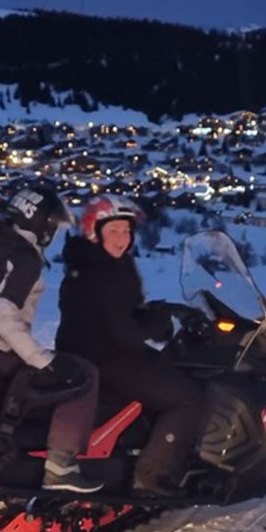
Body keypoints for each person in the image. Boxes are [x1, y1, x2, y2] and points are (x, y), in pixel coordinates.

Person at [56, 194, 205, 497]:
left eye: (126, 231)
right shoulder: (101, 272)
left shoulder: (95, 262)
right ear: (94, 231)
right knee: (188, 396)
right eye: (114, 231)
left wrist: (157, 311)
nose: (122, 238)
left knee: (169, 369)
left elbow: (118, 313)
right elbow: (122, 330)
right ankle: (153, 477)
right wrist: (158, 325)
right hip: (105, 357)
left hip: (93, 352)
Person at [0, 186, 103, 494]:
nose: (53, 233)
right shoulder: (25, 259)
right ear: (41, 226)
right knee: (83, 375)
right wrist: (41, 359)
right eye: (52, 226)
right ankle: (61, 465)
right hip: (3, 357)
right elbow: (2, 313)